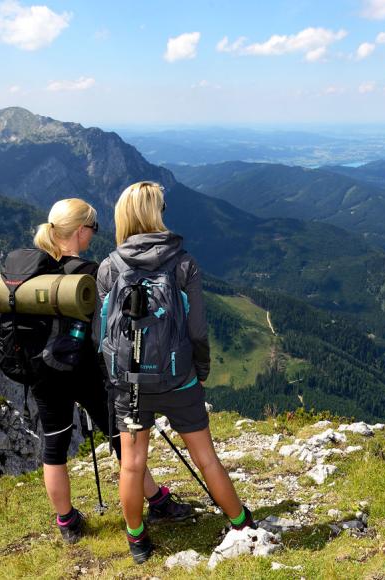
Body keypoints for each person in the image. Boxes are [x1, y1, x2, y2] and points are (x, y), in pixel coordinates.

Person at [96, 181, 256, 564]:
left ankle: (137, 539)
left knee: (133, 464)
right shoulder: (183, 263)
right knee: (206, 457)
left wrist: (116, 378)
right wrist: (199, 369)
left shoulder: (108, 268)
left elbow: (101, 333)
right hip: (179, 378)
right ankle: (239, 520)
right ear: (156, 213)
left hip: (130, 385)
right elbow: (197, 329)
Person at [30, 198, 192, 544]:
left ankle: (66, 522)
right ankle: (156, 501)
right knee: (122, 441)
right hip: (87, 371)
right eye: (93, 228)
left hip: (44, 372)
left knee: (54, 447)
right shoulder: (89, 273)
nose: (93, 235)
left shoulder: (34, 275)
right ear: (80, 231)